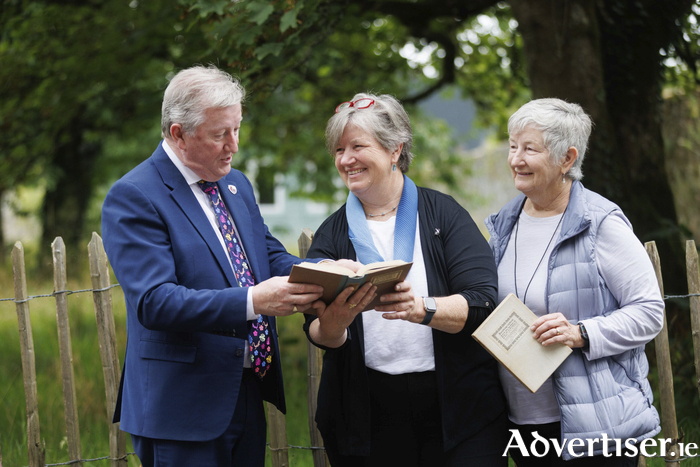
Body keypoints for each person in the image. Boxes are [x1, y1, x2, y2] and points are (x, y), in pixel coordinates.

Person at [101, 65, 355, 467]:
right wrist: (254, 300)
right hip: (180, 410)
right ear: (178, 134)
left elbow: (268, 256)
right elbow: (155, 302)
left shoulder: (235, 184)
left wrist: (328, 271)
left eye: (237, 129)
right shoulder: (135, 195)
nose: (233, 145)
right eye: (220, 133)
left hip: (244, 391)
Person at [303, 93, 508, 467]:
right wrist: (337, 319)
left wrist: (422, 308)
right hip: (367, 412)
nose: (345, 159)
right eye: (338, 150)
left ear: (395, 149)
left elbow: (483, 302)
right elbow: (317, 332)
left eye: (357, 146)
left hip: (459, 410)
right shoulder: (331, 233)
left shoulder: (443, 214)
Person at [485, 98, 665, 466]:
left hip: (596, 428)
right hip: (524, 424)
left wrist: (581, 333)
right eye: (513, 145)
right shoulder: (503, 225)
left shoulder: (601, 223)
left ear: (567, 159)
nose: (515, 159)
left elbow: (649, 312)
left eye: (529, 149)